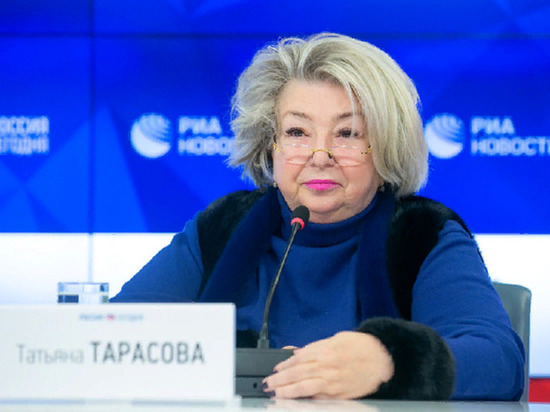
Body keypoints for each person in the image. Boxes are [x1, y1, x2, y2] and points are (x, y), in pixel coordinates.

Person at [111, 33, 525, 401]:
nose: (320, 156)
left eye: (347, 134)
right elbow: (112, 340)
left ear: (387, 147)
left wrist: (388, 360)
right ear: (270, 145)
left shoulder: (422, 235)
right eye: (297, 133)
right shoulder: (221, 228)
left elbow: (499, 360)